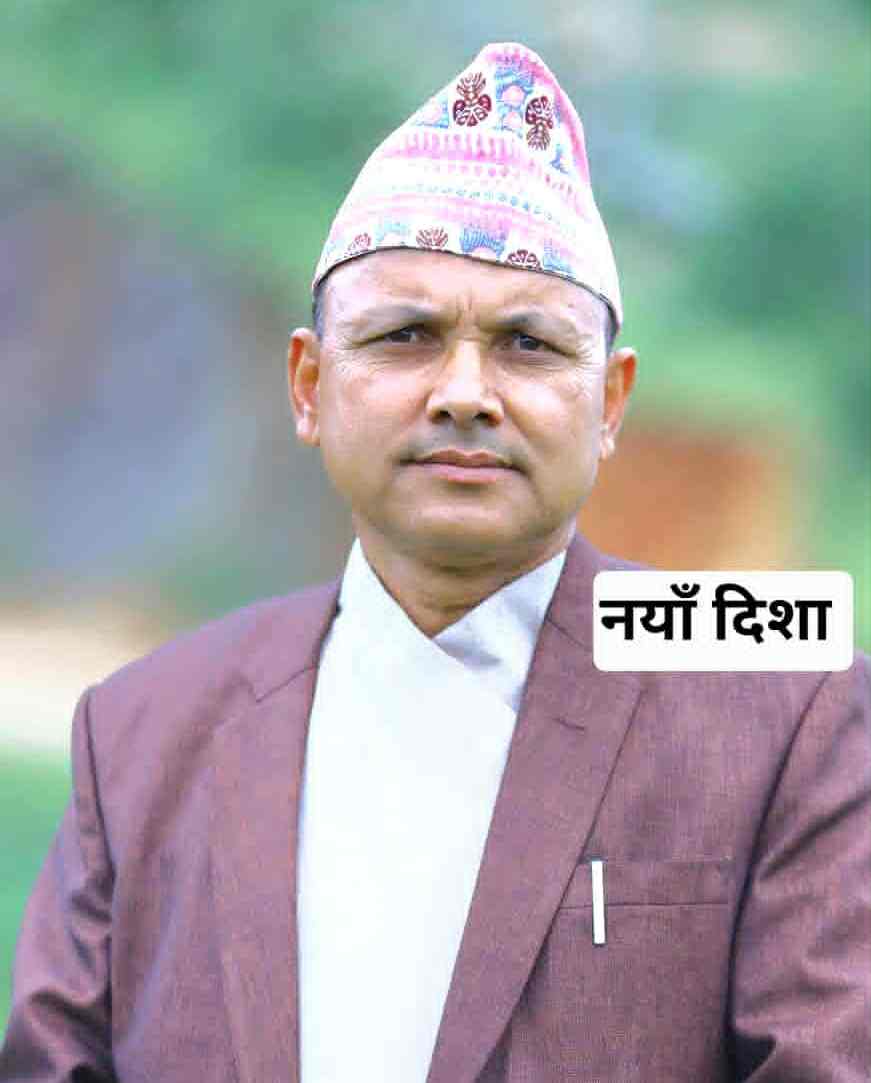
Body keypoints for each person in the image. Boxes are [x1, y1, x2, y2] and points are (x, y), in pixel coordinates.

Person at [1, 41, 868, 1083]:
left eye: (528, 345)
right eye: (405, 336)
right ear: (308, 385)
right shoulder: (143, 728)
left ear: (611, 402)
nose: (463, 393)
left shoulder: (785, 683)